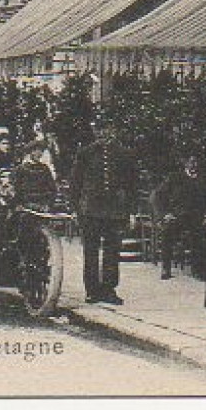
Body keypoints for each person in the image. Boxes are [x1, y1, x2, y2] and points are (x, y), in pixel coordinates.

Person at [69, 115, 137, 305]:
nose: (103, 133)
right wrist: (74, 208)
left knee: (112, 251)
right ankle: (92, 290)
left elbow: (132, 185)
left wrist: (131, 211)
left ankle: (109, 289)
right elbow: (76, 183)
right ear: (94, 131)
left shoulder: (125, 154)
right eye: (99, 129)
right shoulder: (85, 153)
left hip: (115, 211)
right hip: (90, 210)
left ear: (113, 130)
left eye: (107, 129)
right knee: (90, 251)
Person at [152, 154, 206, 280]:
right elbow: (156, 196)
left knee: (201, 236)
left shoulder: (204, 180)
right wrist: (165, 214)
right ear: (185, 164)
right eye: (191, 162)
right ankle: (166, 268)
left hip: (197, 218)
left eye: (196, 162)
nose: (193, 165)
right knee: (167, 232)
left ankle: (198, 270)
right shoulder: (174, 178)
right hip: (177, 217)